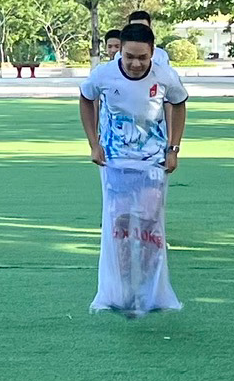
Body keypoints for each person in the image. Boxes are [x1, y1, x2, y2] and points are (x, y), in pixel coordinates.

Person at [80, 22, 189, 316]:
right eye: (130, 56)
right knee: (120, 228)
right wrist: (94, 143)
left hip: (153, 163)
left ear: (153, 52)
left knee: (151, 226)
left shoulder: (164, 74)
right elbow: (86, 98)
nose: (136, 63)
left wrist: (173, 148)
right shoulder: (104, 74)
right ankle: (120, 290)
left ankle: (151, 292)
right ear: (120, 52)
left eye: (142, 57)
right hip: (115, 163)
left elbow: (179, 104)